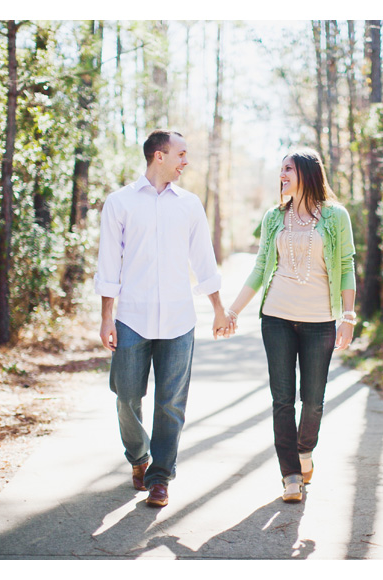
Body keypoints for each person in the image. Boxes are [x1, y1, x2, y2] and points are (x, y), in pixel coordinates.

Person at [94, 130, 231, 508]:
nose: (186, 161)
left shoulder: (189, 205)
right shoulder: (119, 203)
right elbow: (109, 264)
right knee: (126, 397)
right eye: (181, 154)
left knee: (171, 403)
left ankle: (160, 478)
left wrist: (219, 308)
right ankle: (139, 457)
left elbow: (204, 259)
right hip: (131, 318)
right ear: (159, 156)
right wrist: (107, 318)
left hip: (178, 320)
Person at [226, 148, 356, 503]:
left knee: (312, 401)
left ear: (307, 173)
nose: (281, 175)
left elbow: (346, 266)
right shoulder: (274, 217)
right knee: (282, 400)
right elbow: (259, 268)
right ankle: (291, 476)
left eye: (288, 169)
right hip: (277, 317)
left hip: (320, 321)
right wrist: (233, 310)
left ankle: (304, 450)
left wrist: (348, 316)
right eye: (280, 169)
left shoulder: (335, 216)